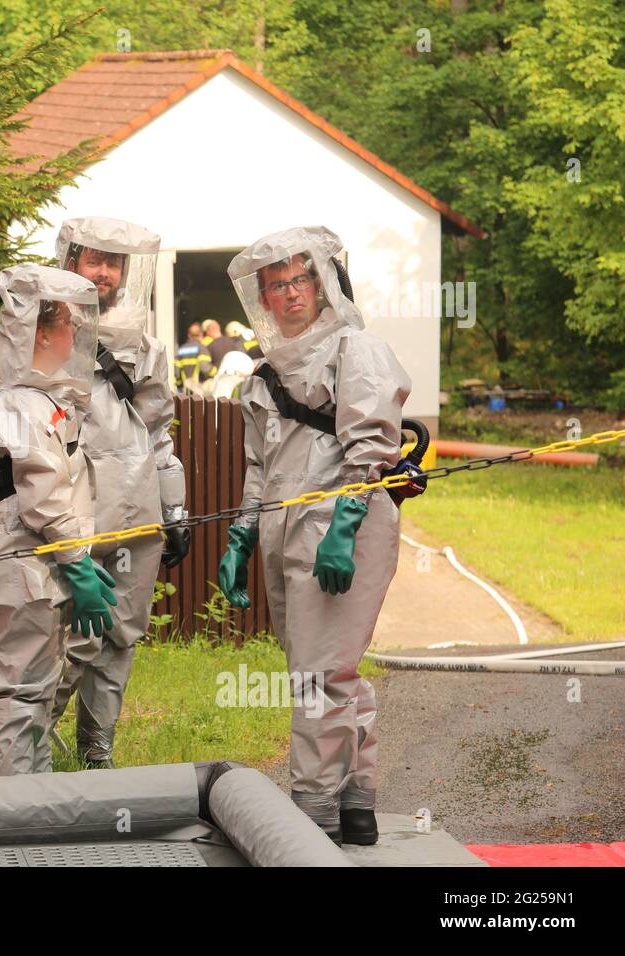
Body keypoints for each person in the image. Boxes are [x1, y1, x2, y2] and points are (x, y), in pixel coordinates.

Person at [217, 226, 410, 846]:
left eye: (300, 278)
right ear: (263, 299)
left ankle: (313, 816)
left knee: (318, 674)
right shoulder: (265, 375)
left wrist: (345, 526)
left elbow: (372, 446)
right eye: (277, 284)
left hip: (341, 528)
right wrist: (242, 536)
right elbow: (259, 467)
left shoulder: (357, 349)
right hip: (287, 530)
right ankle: (356, 801)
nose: (290, 292)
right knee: (329, 668)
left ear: (323, 283)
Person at [0, 264, 115, 776]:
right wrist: (78, 565)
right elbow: (45, 499)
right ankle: (12, 821)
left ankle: (35, 806)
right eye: (69, 324)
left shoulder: (30, 401)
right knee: (21, 693)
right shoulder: (19, 405)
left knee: (36, 693)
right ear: (41, 333)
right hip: (18, 567)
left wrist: (75, 564)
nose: (76, 335)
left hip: (27, 565)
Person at [49, 217, 188, 769]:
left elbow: (158, 434)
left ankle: (96, 754)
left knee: (119, 637)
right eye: (94, 260)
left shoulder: (144, 346)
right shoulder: (43, 336)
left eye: (114, 262)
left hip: (136, 512)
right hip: (72, 518)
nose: (104, 272)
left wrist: (173, 506)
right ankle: (24, 752)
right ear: (71, 263)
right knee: (70, 642)